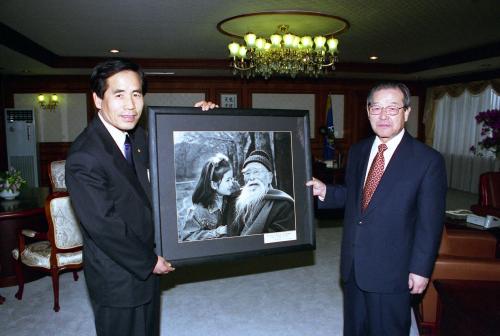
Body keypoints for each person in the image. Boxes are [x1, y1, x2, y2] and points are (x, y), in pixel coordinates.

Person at [65, 58, 216, 336]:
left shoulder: (137, 137)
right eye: (118, 94)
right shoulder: (84, 156)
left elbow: (176, 153)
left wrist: (203, 120)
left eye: (136, 94)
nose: (130, 105)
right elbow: (104, 226)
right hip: (118, 274)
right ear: (98, 99)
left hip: (147, 258)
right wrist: (149, 262)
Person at [307, 82, 447, 336]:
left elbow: (430, 223)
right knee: (355, 329)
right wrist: (325, 191)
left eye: (392, 108)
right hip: (354, 265)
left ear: (406, 112)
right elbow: (357, 197)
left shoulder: (428, 160)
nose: (383, 116)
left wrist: (420, 269)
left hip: (393, 270)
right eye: (377, 108)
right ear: (367, 111)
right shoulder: (359, 150)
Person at [229, 149, 295, 236]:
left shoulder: (283, 204)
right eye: (247, 173)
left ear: (269, 177)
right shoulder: (236, 202)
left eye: (256, 172)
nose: (251, 178)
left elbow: (278, 240)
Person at [181, 153, 239, 241]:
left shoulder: (232, 197)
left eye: (232, 178)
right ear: (214, 185)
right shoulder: (198, 211)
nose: (231, 183)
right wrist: (217, 232)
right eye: (227, 180)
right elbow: (187, 238)